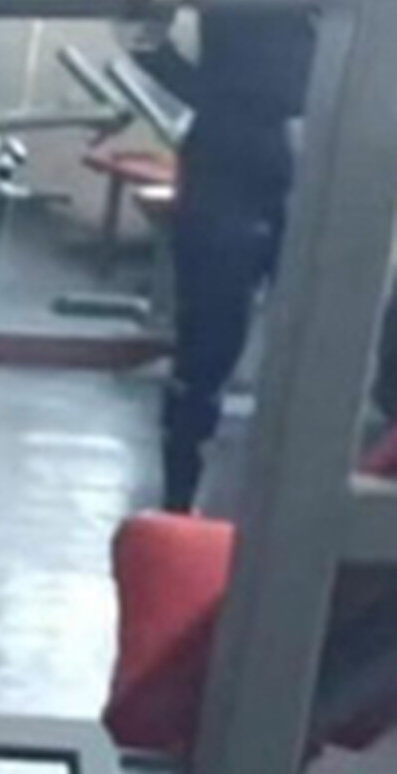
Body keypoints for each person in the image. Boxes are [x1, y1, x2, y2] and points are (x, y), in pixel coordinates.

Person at [131, 10, 316, 512]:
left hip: (317, 154)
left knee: (320, 346)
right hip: (230, 160)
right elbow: (142, 30)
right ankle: (177, 502)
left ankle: (301, 517)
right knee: (208, 347)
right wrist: (211, 95)